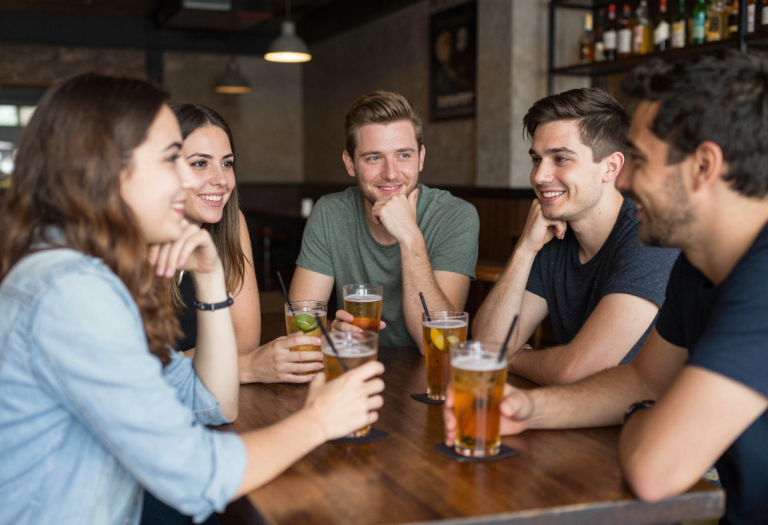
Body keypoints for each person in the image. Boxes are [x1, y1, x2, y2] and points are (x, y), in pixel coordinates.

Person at [0, 73, 385, 525]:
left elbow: (214, 401)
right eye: (172, 159)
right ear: (104, 168)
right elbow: (197, 474)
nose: (191, 179)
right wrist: (319, 420)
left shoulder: (90, 272)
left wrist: (209, 277)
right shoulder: (72, 293)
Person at [445, 52, 768, 524]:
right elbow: (643, 379)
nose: (629, 181)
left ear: (703, 166)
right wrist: (531, 407)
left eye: (640, 160)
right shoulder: (698, 266)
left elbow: (654, 470)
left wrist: (642, 412)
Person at [473, 88, 678, 386]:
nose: (539, 176)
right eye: (536, 159)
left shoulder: (650, 236)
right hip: (586, 417)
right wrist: (525, 250)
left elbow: (578, 370)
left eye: (561, 159)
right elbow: (487, 347)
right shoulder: (554, 234)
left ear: (611, 167)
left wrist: (513, 358)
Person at [289, 91, 480, 352]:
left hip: (424, 378)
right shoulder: (329, 212)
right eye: (374, 158)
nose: (391, 173)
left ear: (421, 158)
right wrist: (329, 335)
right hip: (354, 368)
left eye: (403, 155)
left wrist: (410, 237)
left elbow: (437, 344)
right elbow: (302, 326)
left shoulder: (456, 215)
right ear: (350, 163)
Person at [169, 103, 323, 384]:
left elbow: (243, 342)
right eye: (200, 163)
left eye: (227, 163)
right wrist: (245, 368)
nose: (221, 180)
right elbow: (133, 374)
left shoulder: (230, 221)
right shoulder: (128, 240)